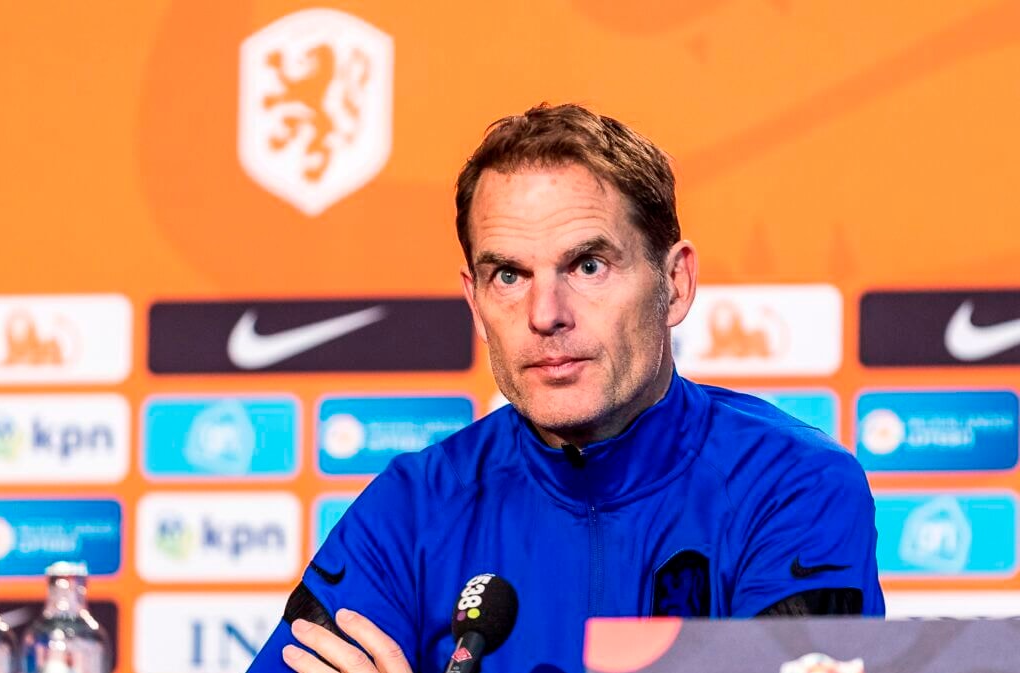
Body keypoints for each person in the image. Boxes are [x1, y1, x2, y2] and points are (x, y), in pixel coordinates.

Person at [248, 103, 884, 673]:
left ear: (675, 285)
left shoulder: (789, 485)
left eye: (588, 265)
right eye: (508, 275)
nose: (545, 314)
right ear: (475, 303)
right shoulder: (410, 509)